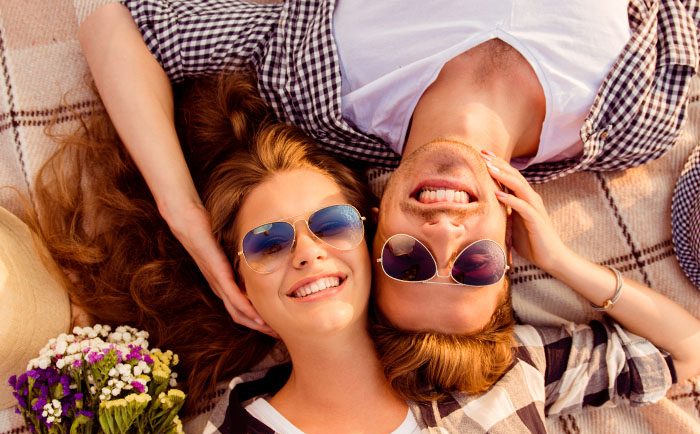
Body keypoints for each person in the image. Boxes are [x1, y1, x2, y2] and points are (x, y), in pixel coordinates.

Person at [32, 70, 700, 434]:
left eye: (329, 224)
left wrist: (559, 259)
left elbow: (686, 354)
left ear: (374, 238)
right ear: (236, 285)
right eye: (266, 242)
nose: (306, 252)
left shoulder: (497, 375)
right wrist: (185, 217)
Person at [79, 0, 700, 334]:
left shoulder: (317, 89)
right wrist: (564, 262)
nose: (442, 232)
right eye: (475, 266)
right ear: (509, 251)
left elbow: (113, 16)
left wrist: (186, 217)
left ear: (371, 225)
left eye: (407, 260)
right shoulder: (633, 122)